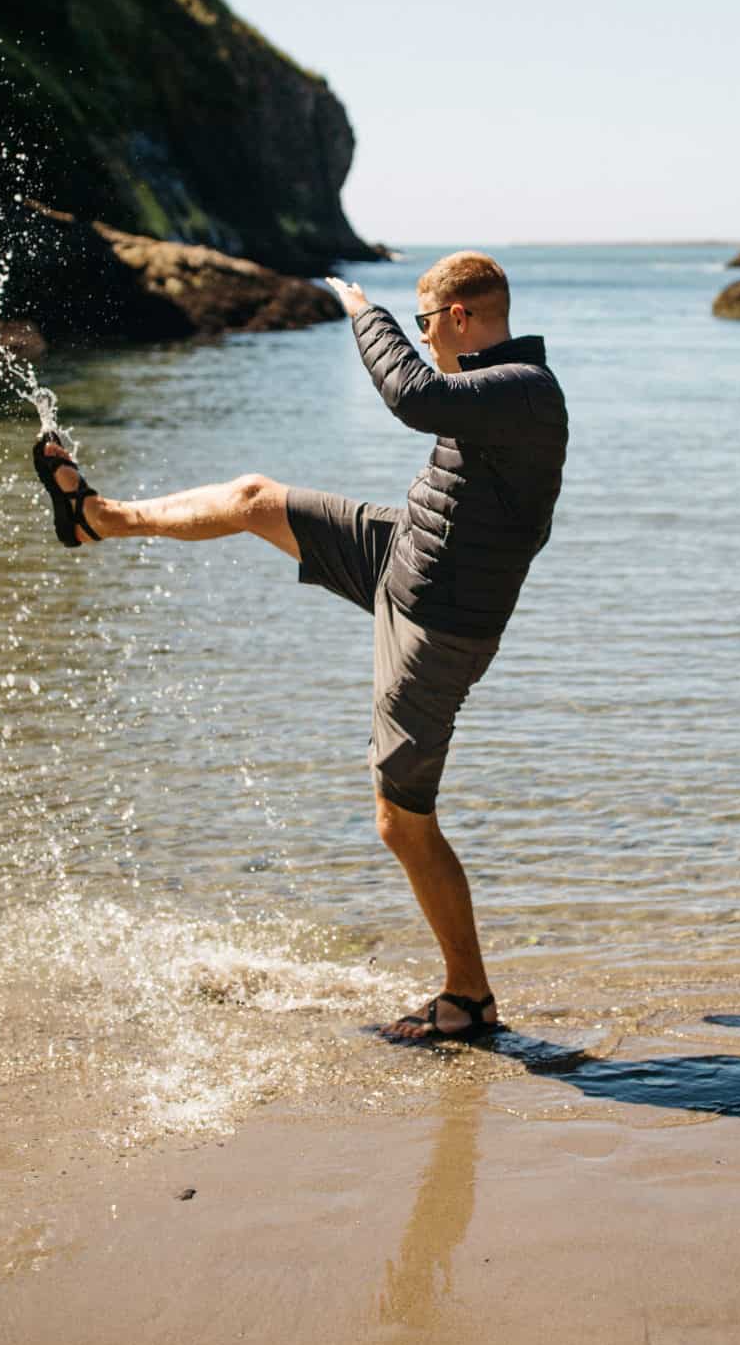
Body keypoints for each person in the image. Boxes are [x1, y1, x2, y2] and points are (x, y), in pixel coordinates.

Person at [32, 250, 568, 1043]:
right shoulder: (491, 389)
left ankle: (469, 999)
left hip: (437, 622)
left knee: (400, 818)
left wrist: (363, 311)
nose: (421, 341)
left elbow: (411, 397)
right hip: (401, 551)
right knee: (254, 498)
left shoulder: (521, 390)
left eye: (424, 324)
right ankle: (97, 517)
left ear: (456, 317)